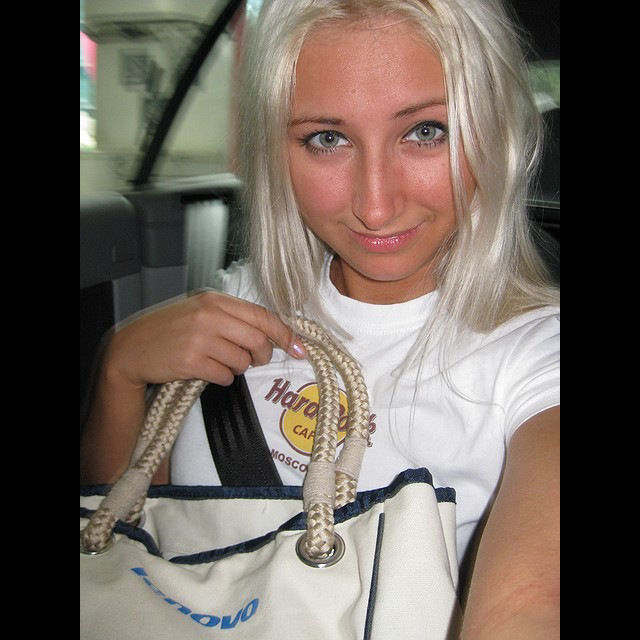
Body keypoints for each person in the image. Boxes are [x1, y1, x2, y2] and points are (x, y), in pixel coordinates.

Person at [80, 0, 559, 637]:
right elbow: (128, 543)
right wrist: (118, 371)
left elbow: (529, 604)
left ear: (493, 133)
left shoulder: (537, 359)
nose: (376, 205)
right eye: (327, 139)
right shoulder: (238, 300)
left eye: (426, 131)